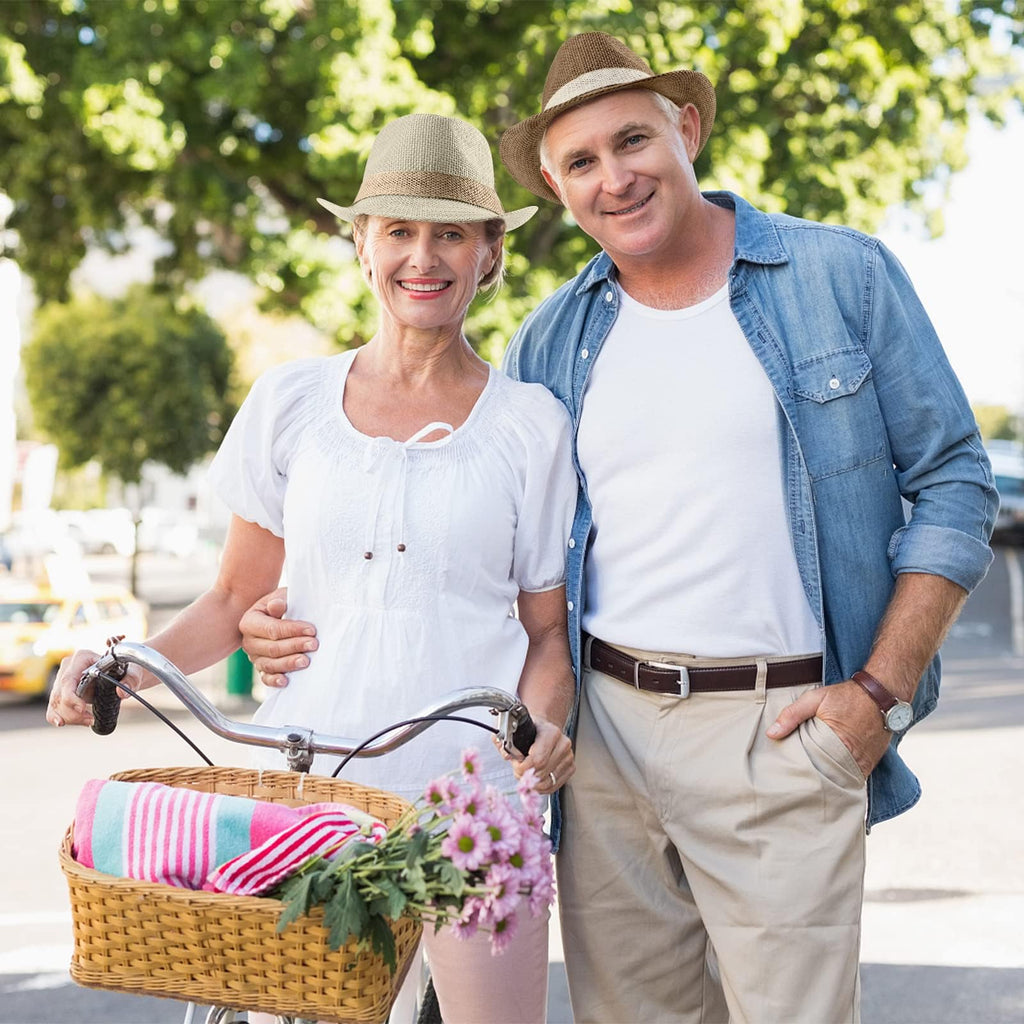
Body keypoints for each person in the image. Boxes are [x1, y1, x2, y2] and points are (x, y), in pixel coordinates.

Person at [245, 31, 999, 1024]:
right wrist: (284, 611)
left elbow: (955, 481)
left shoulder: (838, 277)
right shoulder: (550, 339)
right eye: (581, 162)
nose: (614, 178)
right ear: (557, 190)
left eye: (632, 140)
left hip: (781, 732)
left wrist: (876, 694)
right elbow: (473, 558)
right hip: (603, 750)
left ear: (686, 129)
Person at [46, 112, 578, 1024]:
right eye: (399, 230)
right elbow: (234, 597)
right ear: (362, 245)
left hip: (474, 805)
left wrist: (542, 732)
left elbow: (546, 635)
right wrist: (126, 664)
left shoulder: (532, 424)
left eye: (452, 234)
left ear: (490, 253)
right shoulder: (290, 403)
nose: (424, 257)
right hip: (312, 797)